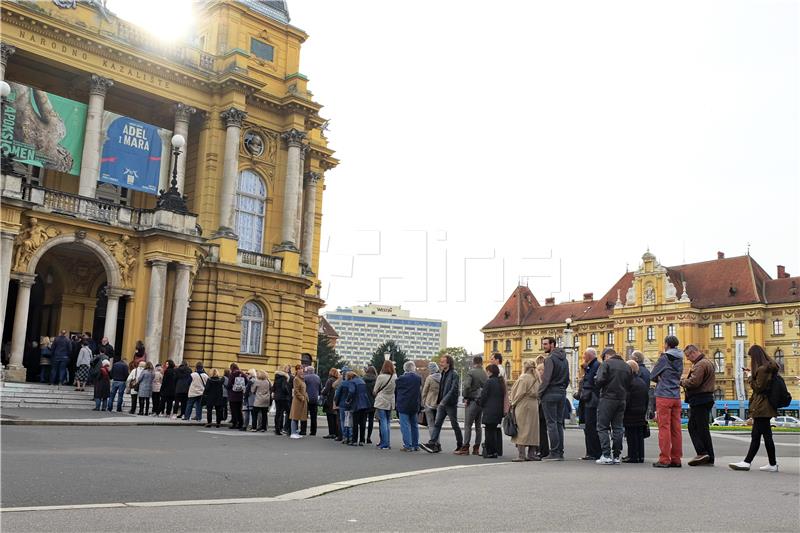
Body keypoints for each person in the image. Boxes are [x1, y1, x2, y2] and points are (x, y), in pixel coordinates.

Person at [729, 345, 780, 472]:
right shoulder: (768, 367)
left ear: (755, 357)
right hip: (765, 406)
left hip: (762, 406)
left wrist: (750, 376)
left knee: (759, 436)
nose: (750, 360)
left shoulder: (763, 369)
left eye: (751, 357)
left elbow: (758, 387)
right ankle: (771, 464)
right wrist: (752, 373)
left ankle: (747, 462)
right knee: (761, 435)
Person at [594, 348, 633, 465]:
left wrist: (596, 381)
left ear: (606, 356)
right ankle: (616, 455)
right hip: (621, 399)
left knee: (602, 427)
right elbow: (630, 384)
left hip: (607, 398)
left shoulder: (606, 364)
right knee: (618, 427)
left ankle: (606, 454)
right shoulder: (627, 366)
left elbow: (599, 380)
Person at [651, 335, 684, 468]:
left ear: (666, 344)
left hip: (664, 395)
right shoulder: (681, 358)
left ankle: (665, 458)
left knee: (664, 427)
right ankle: (676, 458)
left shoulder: (665, 357)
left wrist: (660, 379)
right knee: (676, 428)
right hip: (676, 395)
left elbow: (652, 375)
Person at [681, 344, 716, 466]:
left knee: (693, 427)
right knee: (702, 428)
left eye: (688, 356)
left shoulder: (700, 364)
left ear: (693, 353)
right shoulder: (707, 362)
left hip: (700, 399)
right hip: (704, 399)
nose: (688, 359)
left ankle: (703, 452)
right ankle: (708, 456)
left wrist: (682, 381)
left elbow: (694, 382)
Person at [421, 354, 462, 454]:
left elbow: (453, 389)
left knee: (454, 425)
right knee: (437, 424)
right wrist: (439, 401)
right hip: (441, 404)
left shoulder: (454, 374)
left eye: (443, 362)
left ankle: (460, 445)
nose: (441, 363)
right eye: (441, 361)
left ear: (448, 363)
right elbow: (441, 389)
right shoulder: (443, 373)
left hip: (450, 404)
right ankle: (432, 443)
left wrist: (444, 401)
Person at [538, 337, 569, 461]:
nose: (544, 346)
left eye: (545, 344)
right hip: (561, 392)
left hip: (550, 393)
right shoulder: (565, 359)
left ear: (552, 344)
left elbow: (546, 379)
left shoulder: (550, 359)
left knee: (551, 423)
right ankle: (559, 451)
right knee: (558, 423)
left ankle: (554, 452)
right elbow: (567, 378)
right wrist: (562, 388)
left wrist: (539, 393)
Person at [509, 359, 541, 461]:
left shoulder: (523, 378)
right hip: (534, 404)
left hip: (523, 404)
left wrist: (513, 403)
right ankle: (531, 454)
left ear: (525, 367)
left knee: (522, 429)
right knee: (532, 429)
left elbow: (519, 394)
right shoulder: (537, 378)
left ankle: (521, 455)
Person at [459, 356, 488, 456]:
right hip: (481, 403)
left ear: (473, 362)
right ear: (481, 362)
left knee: (468, 425)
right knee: (478, 426)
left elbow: (467, 385)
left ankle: (465, 447)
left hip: (472, 401)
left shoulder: (471, 372)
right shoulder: (485, 374)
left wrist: (465, 396)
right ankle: (476, 448)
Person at [622, 360, 649, 463]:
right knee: (639, 435)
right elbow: (647, 398)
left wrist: (623, 409)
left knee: (631, 435)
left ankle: (632, 456)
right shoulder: (642, 382)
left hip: (630, 412)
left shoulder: (629, 382)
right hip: (641, 411)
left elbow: (627, 398)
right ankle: (640, 456)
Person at [577, 348, 601, 460]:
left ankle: (593, 452)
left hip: (591, 400)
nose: (583, 357)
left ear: (590, 355)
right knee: (589, 426)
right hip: (589, 399)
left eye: (584, 355)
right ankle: (591, 451)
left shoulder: (595, 366)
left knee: (590, 426)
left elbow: (591, 382)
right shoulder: (591, 366)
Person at [479, 364, 506, 459]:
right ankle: (495, 451)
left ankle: (489, 451)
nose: (486, 373)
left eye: (487, 371)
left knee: (488, 431)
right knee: (494, 431)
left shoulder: (489, 382)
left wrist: (480, 403)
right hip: (498, 410)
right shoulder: (500, 382)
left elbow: (484, 396)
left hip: (489, 410)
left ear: (490, 372)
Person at [395, 360, 422, 452]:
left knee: (405, 425)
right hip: (414, 404)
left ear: (404, 368)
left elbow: (397, 390)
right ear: (413, 368)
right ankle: (415, 445)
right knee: (414, 425)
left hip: (403, 404)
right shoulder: (418, 378)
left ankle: (408, 445)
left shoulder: (400, 379)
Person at [373, 361, 397, 450]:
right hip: (390, 400)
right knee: (387, 422)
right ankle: (387, 442)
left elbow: (375, 390)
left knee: (383, 422)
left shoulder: (381, 377)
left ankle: (384, 443)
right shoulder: (395, 376)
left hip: (381, 400)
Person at [421, 362, 441, 442]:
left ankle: (433, 442)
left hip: (429, 403)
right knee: (437, 425)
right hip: (439, 403)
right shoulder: (442, 377)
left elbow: (424, 391)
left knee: (431, 424)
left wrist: (423, 402)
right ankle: (437, 442)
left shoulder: (430, 378)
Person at [350, 371, 371, 446]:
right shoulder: (362, 381)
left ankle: (354, 440)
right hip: (365, 402)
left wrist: (348, 399)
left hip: (356, 403)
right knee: (363, 423)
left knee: (355, 423)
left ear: (350, 377)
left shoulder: (352, 382)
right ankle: (362, 440)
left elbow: (351, 392)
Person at [335, 369, 355, 444]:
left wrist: (337, 402)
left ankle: (345, 437)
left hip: (343, 404)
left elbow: (338, 395)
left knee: (343, 421)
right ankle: (350, 436)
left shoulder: (343, 383)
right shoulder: (353, 383)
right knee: (350, 421)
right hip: (351, 404)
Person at [289, 364, 308, 439]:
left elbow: (304, 390)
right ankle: (293, 433)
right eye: (299, 369)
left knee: (299, 417)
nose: (301, 370)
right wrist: (302, 397)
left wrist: (306, 397)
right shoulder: (296, 379)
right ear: (296, 370)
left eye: (302, 369)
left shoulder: (302, 379)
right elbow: (296, 391)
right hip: (297, 401)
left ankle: (296, 432)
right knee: (295, 417)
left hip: (302, 400)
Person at [302, 366, 321, 436]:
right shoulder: (318, 377)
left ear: (308, 370)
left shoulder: (305, 377)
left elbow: (303, 387)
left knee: (304, 415)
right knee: (314, 417)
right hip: (315, 399)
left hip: (306, 399)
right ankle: (313, 431)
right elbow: (320, 388)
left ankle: (303, 430)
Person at [321, 368, 340, 439]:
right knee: (335, 418)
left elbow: (326, 391)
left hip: (329, 401)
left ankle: (331, 433)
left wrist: (322, 391)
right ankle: (336, 433)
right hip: (336, 401)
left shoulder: (330, 380)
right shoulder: (337, 380)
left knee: (330, 418)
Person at [227, 363, 246, 430]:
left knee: (233, 410)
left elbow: (229, 385)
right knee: (239, 410)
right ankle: (241, 423)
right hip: (240, 395)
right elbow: (246, 382)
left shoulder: (232, 374)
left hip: (233, 395)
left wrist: (229, 388)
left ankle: (234, 423)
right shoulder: (242, 374)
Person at [273, 367, 291, 435]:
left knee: (278, 413)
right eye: (287, 369)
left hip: (277, 397)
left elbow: (273, 388)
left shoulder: (276, 377)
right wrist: (288, 392)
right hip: (283, 397)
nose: (288, 370)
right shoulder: (284, 378)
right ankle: (288, 429)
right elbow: (284, 387)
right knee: (289, 412)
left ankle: (277, 429)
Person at [362, 366, 377, 444]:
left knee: (363, 420)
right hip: (373, 402)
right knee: (371, 420)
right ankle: (368, 437)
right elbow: (375, 392)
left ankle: (362, 437)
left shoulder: (363, 379)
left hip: (364, 402)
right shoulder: (376, 380)